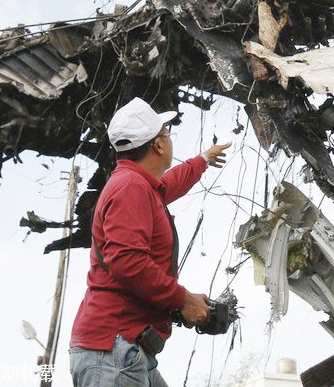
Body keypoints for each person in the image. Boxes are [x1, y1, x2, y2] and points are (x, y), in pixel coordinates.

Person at [69, 97, 231, 386]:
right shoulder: (131, 189)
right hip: (113, 351)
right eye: (167, 133)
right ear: (158, 145)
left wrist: (203, 160)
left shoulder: (136, 185)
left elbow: (167, 185)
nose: (169, 140)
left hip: (123, 350)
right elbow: (128, 263)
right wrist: (183, 299)